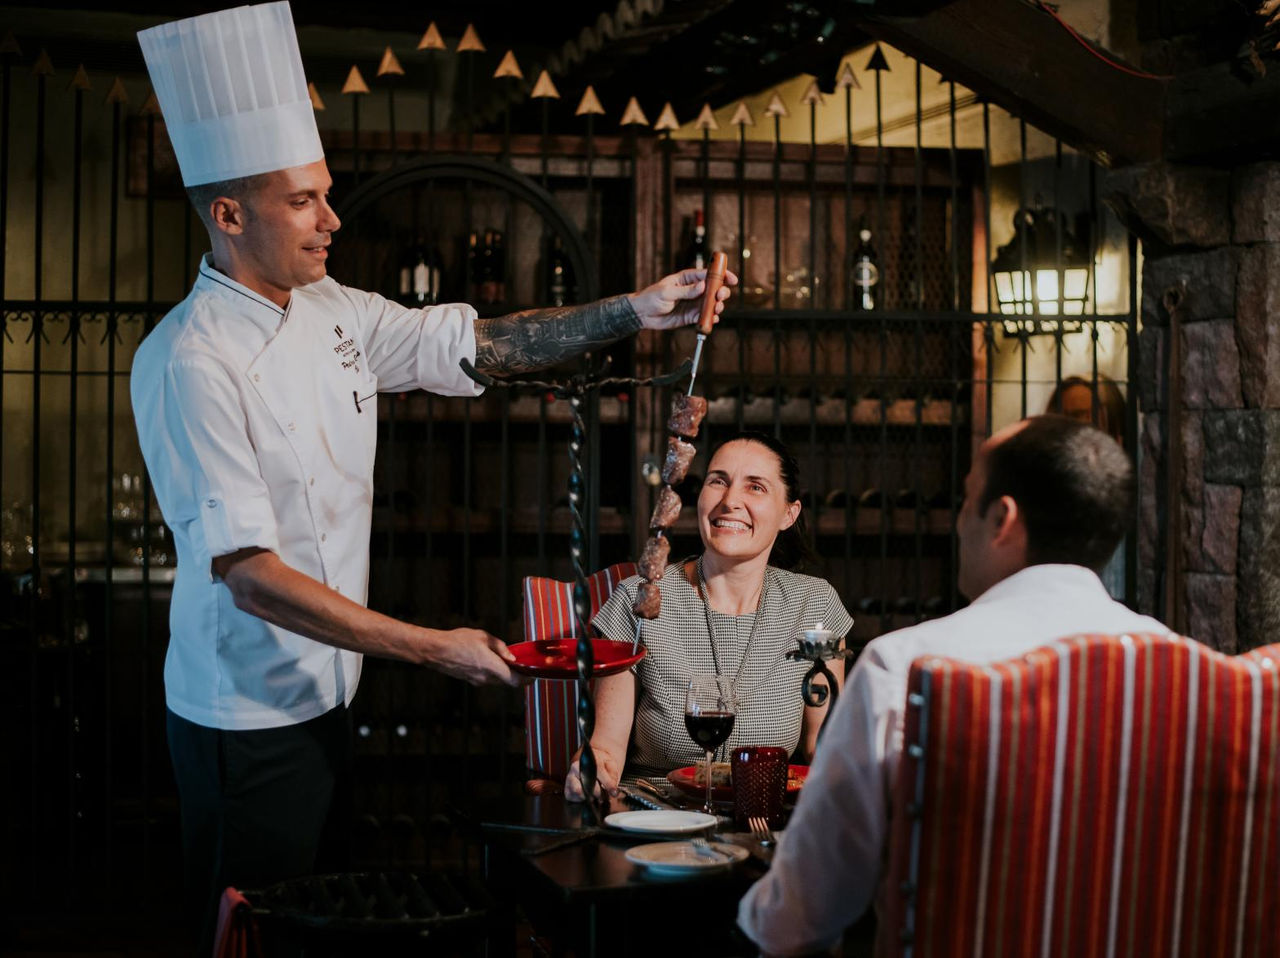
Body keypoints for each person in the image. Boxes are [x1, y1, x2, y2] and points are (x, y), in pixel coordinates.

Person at [130, 3, 735, 949]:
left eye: (326, 193)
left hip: (333, 698)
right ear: (229, 213)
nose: (333, 218)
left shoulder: (331, 306)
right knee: (250, 930)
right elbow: (250, 576)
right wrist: (427, 647)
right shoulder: (190, 360)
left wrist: (637, 308)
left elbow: (477, 345)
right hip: (244, 722)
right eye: (304, 201)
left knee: (317, 922)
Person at [737, 415, 1170, 955]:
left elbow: (798, 916)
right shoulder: (1182, 672)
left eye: (967, 500)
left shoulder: (908, 668)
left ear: (1002, 520)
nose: (958, 521)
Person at [565, 431, 854, 800]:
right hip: (654, 815)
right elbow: (605, 747)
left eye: (755, 487)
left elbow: (823, 748)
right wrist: (589, 769)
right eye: (718, 481)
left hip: (762, 816)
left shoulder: (815, 605)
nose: (730, 500)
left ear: (788, 514)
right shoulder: (642, 599)